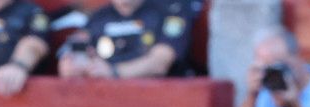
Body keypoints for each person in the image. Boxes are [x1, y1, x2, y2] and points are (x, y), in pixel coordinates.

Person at [58, 0, 204, 80]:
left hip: (161, 99)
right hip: (107, 101)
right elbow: (71, 56)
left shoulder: (170, 10)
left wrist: (113, 72)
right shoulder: (98, 17)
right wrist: (79, 65)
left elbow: (160, 62)